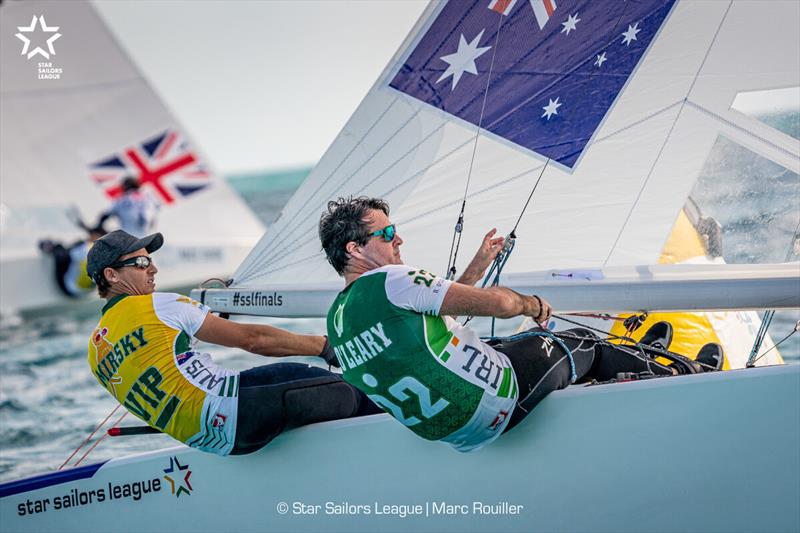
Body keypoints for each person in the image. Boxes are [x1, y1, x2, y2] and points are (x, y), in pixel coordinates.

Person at [318, 196, 724, 452]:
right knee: (581, 342)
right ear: (355, 249)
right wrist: (529, 303)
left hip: (454, 435)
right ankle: (687, 372)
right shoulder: (393, 280)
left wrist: (479, 264)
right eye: (387, 233)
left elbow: (437, 316)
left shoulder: (338, 319)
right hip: (494, 403)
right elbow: (499, 304)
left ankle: (632, 362)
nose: (398, 240)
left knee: (529, 343)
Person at [85, 230, 380, 456]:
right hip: (239, 414)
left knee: (303, 379)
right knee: (351, 391)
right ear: (111, 275)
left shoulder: (95, 352)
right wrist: (326, 347)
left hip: (211, 441)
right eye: (140, 263)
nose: (153, 269)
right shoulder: (159, 305)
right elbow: (254, 340)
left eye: (150, 260)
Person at [39, 223, 106, 298]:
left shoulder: (82, 247)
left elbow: (64, 257)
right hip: (83, 289)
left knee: (71, 252)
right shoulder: (86, 246)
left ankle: (51, 247)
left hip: (73, 288)